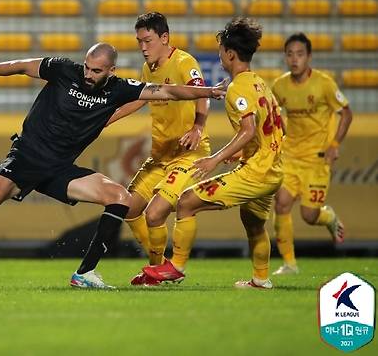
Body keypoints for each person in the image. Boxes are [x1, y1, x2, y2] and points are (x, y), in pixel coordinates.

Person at [0, 42, 226, 288]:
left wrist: (208, 93)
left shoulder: (118, 89)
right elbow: (20, 66)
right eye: (88, 67)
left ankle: (85, 274)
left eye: (97, 70)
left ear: (111, 71)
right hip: (27, 157)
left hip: (59, 168)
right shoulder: (63, 70)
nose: (89, 74)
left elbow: (165, 92)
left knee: (119, 197)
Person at [143, 17, 284, 289]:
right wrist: (242, 152)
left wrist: (215, 159)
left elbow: (249, 129)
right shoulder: (260, 84)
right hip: (274, 169)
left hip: (257, 173)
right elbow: (277, 127)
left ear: (230, 54)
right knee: (253, 223)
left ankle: (176, 266)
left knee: (186, 202)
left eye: (221, 50)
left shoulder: (237, 87)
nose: (219, 54)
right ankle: (261, 280)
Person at [105, 12, 212, 286]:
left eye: (148, 41)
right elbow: (138, 100)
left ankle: (165, 270)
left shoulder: (184, 62)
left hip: (188, 154)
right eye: (139, 41)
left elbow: (202, 94)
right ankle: (157, 270)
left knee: (154, 213)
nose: (143, 47)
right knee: (128, 208)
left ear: (164, 38)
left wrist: (198, 128)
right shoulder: (148, 69)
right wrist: (104, 121)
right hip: (160, 155)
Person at [270, 33, 352, 275]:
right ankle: (289, 263)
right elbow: (274, 116)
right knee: (282, 203)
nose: (294, 60)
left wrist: (335, 143)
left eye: (300, 54)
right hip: (291, 157)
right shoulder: (280, 86)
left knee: (309, 215)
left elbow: (347, 113)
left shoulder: (324, 84)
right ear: (285, 57)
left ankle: (328, 217)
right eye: (290, 54)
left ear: (309, 57)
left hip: (317, 160)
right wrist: (281, 137)